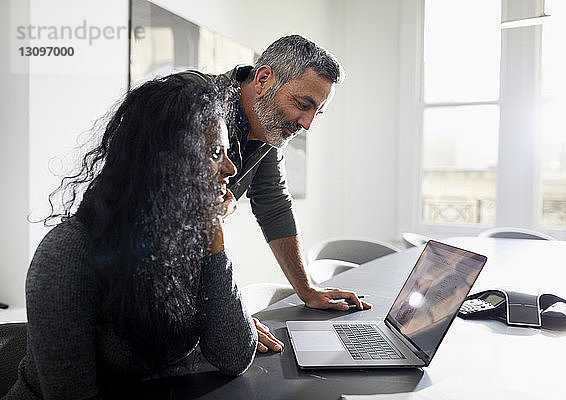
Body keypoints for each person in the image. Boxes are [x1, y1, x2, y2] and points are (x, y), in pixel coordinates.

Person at [5, 75, 258, 399]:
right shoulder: (67, 254)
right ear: (167, 160)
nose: (231, 168)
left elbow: (233, 356)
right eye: (213, 153)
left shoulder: (185, 239)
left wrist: (214, 239)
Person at [178, 35, 371, 352]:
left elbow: (273, 205)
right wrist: (217, 313)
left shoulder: (264, 127)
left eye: (316, 113)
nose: (307, 124)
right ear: (264, 79)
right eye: (303, 105)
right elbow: (166, 224)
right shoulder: (192, 102)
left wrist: (307, 290)